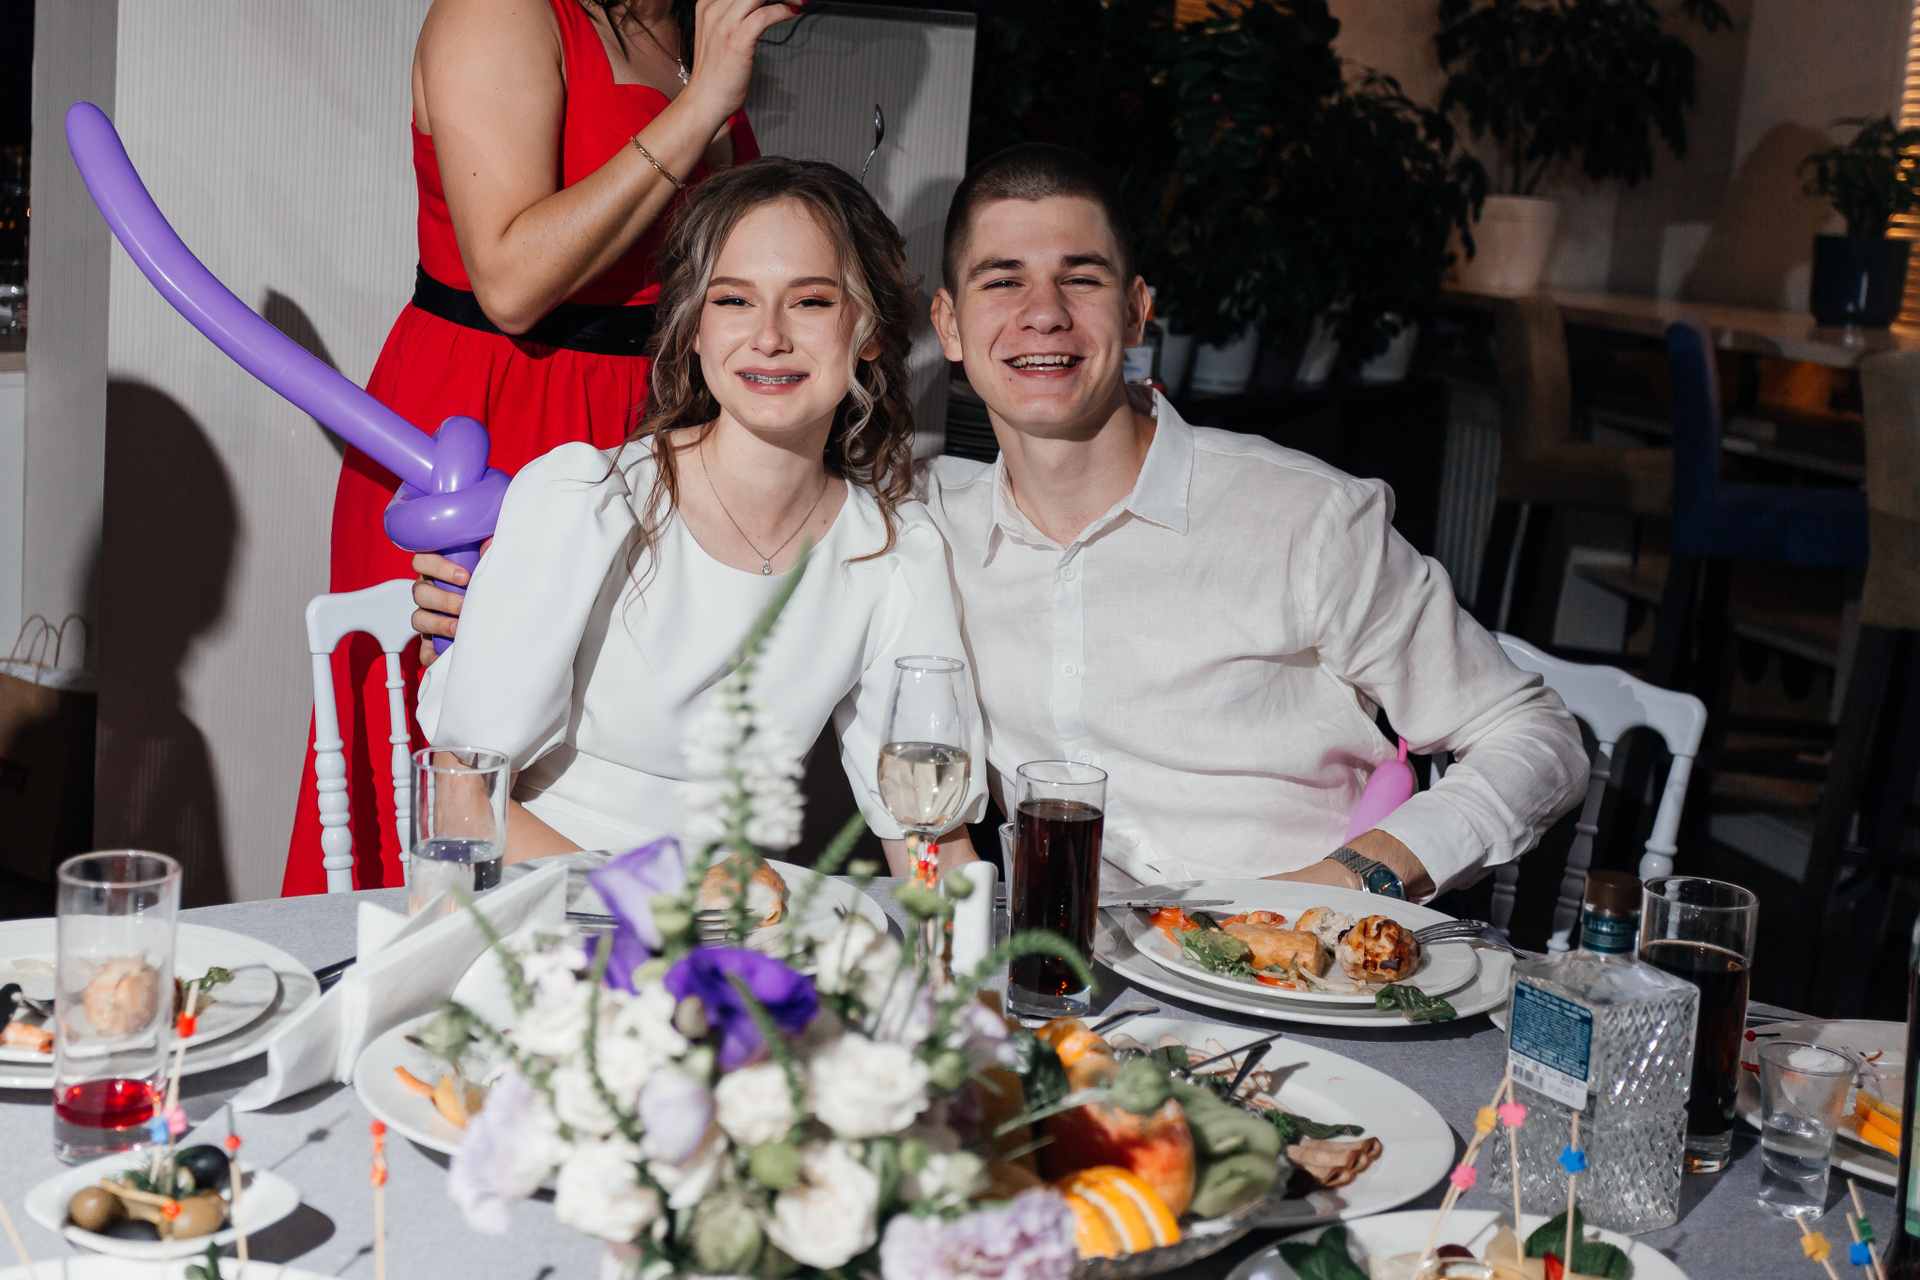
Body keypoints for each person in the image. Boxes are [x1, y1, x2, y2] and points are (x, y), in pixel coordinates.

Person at [919, 144, 1588, 902]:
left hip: (1300, 953)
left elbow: (1534, 734)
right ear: (949, 325)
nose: (1044, 313)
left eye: (1081, 278)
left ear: (1136, 312)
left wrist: (1345, 882)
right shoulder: (931, 527)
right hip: (1072, 958)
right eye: (1003, 280)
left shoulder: (1304, 517)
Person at [282, 0, 795, 893]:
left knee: (614, 742)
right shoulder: (500, 13)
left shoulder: (683, 27)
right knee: (455, 763)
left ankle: (640, 955)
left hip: (647, 421)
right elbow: (511, 282)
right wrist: (703, 102)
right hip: (491, 421)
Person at [411, 158, 986, 868]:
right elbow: (458, 795)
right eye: (734, 300)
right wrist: (649, 904)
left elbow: (926, 834)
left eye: (810, 301)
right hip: (543, 893)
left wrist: (962, 941)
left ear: (867, 331)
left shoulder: (892, 554)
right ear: (694, 329)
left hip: (735, 916)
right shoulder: (589, 501)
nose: (769, 335)